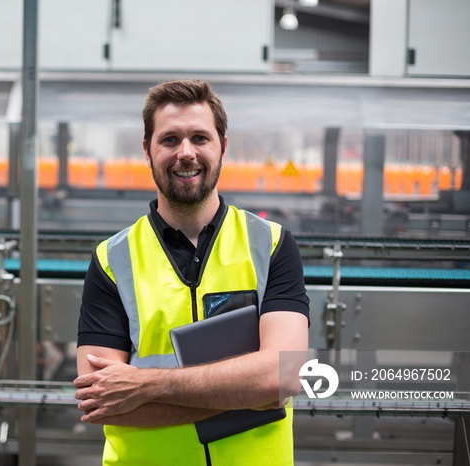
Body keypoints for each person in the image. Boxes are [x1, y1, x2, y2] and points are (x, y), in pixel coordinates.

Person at [74, 79, 309, 466]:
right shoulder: (111, 260)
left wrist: (145, 386)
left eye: (200, 138)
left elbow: (284, 376)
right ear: (147, 151)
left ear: (222, 147)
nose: (186, 153)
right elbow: (102, 404)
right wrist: (248, 395)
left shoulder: (271, 244)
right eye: (169, 140)